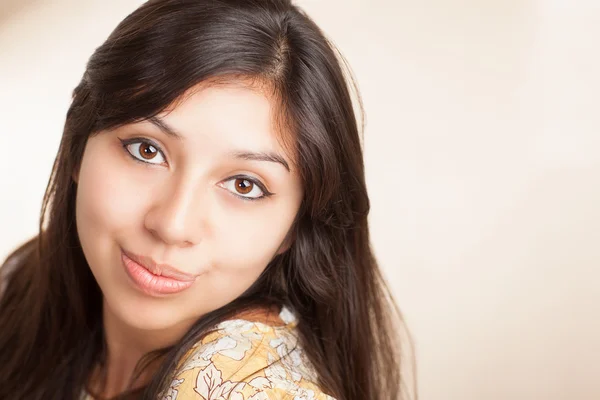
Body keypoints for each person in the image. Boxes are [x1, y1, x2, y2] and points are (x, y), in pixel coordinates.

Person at [0, 0, 414, 399]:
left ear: (295, 227)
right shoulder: (20, 288)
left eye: (244, 185)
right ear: (79, 146)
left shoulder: (248, 388)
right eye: (146, 150)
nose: (172, 224)